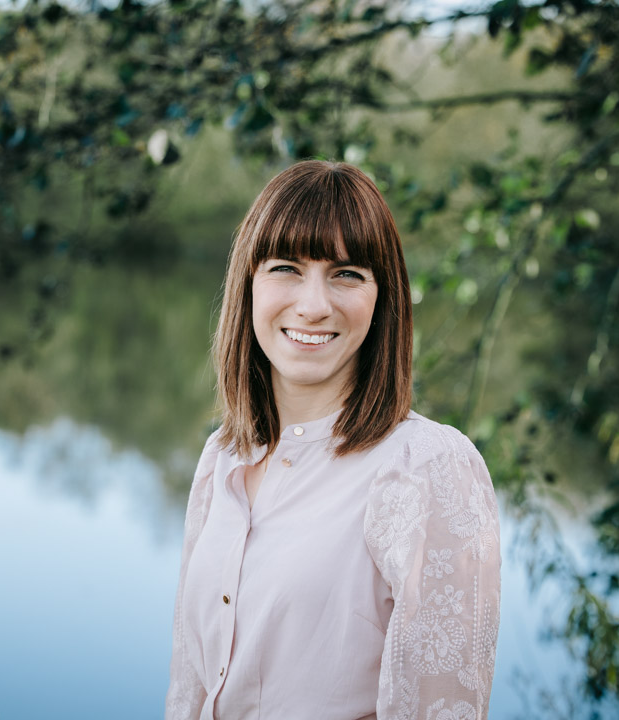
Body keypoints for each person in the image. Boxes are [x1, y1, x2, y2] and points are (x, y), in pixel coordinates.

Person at [165, 160, 501, 720]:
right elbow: (189, 688)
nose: (314, 304)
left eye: (347, 273)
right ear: (247, 284)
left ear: (381, 298)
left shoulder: (426, 468)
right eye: (286, 268)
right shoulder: (222, 457)